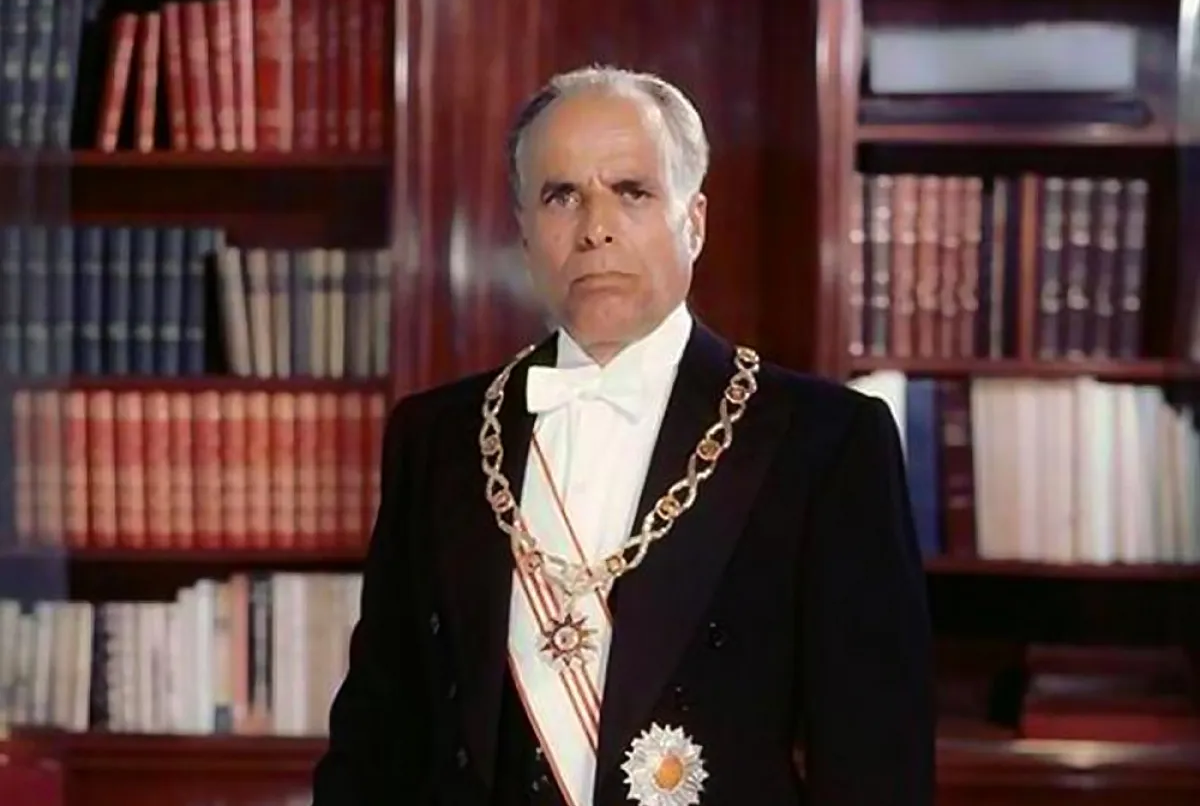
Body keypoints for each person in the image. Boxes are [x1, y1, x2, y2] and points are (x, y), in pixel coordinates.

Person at [312, 64, 934, 806]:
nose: (595, 228)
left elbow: (875, 760)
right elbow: (377, 737)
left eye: (631, 191)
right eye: (562, 195)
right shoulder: (436, 437)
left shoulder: (827, 441)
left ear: (694, 221)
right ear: (524, 232)